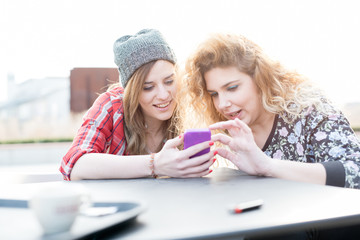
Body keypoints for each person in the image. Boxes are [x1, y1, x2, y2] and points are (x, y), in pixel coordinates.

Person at [184, 32, 360, 189]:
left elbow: (356, 172)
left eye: (232, 88)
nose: (222, 104)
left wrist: (268, 166)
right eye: (214, 94)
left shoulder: (308, 108)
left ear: (260, 79)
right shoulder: (235, 126)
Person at [60, 29, 215, 181]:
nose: (163, 95)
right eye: (147, 87)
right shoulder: (111, 106)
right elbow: (74, 165)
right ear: (131, 92)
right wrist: (155, 164)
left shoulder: (189, 105)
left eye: (169, 81)